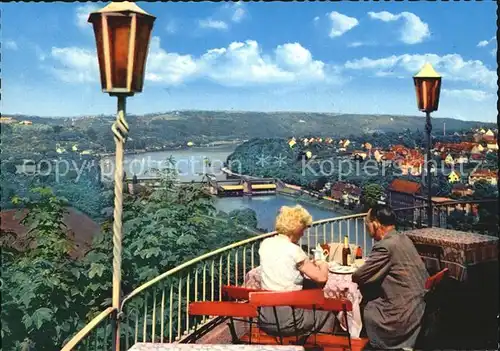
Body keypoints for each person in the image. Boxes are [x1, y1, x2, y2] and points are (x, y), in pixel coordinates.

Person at [352, 205, 429, 350]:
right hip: (418, 308)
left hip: (400, 317)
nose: (366, 227)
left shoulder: (386, 246)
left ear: (375, 223)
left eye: (366, 223)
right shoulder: (403, 238)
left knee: (365, 305)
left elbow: (359, 276)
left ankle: (360, 340)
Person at [258, 205, 333, 337]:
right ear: (296, 228)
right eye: (303, 229)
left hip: (265, 317)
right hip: (288, 320)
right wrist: (323, 264)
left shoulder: (265, 244)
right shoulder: (294, 251)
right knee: (328, 313)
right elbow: (321, 278)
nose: (303, 233)